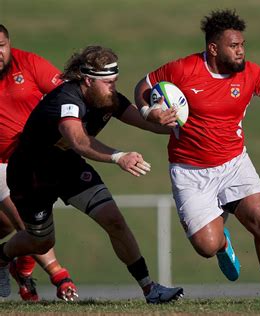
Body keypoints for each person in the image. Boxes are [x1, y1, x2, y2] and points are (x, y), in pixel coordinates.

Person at [134, 9, 260, 305]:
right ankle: (222, 241)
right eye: (234, 46)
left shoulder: (249, 72)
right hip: (190, 170)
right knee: (206, 245)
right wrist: (149, 111)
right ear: (213, 48)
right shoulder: (183, 69)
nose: (240, 51)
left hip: (233, 163)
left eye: (242, 45)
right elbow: (144, 86)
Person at [0, 45, 184, 304]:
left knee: (114, 220)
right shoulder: (66, 100)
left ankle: (150, 289)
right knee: (41, 242)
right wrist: (119, 157)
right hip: (31, 176)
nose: (113, 87)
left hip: (66, 167)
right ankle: (3, 256)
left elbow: (144, 121)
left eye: (115, 81)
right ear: (87, 80)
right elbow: (79, 142)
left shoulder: (107, 98)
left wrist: (170, 121)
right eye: (108, 82)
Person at [0, 24, 78, 301]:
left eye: (1, 45)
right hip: (1, 164)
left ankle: (20, 269)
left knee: (25, 226)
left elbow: (65, 92)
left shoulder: (29, 63)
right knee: (25, 221)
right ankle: (60, 275)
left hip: (35, 158)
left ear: (9, 44)